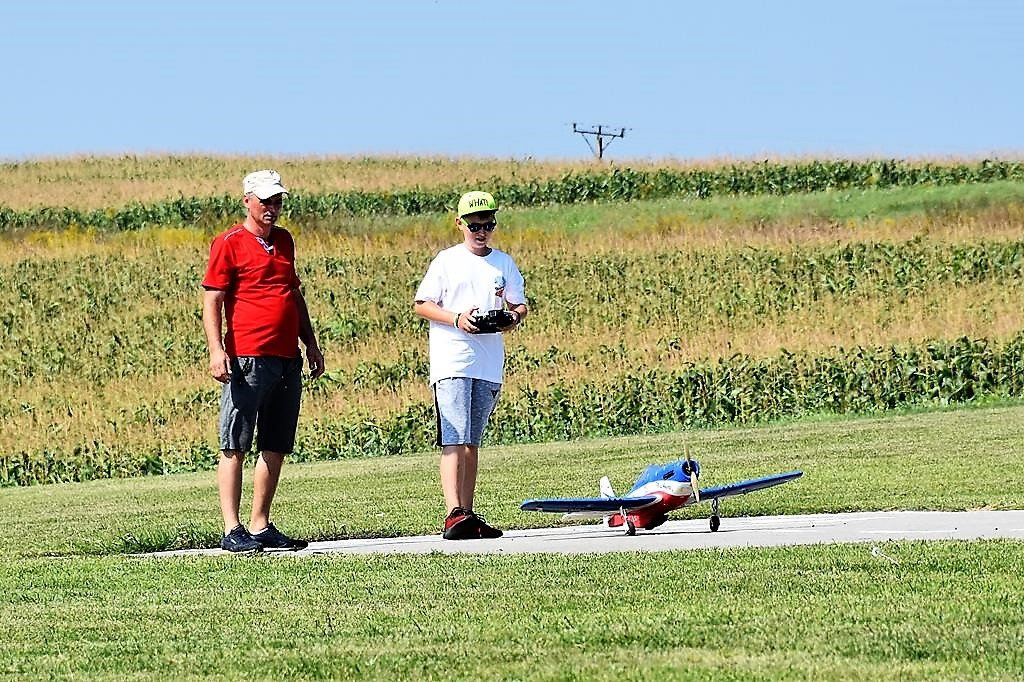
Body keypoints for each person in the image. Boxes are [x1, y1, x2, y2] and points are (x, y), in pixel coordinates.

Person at [201, 169, 325, 553]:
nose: (272, 208)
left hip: (287, 356)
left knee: (276, 443)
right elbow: (212, 300)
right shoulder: (229, 243)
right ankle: (232, 528)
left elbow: (293, 294)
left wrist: (310, 343)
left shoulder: (284, 241)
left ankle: (260, 524)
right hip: (248, 356)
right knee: (235, 442)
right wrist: (217, 350)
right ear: (247, 201)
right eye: (265, 201)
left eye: (277, 201)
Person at [413, 191, 528, 540]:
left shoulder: (503, 263)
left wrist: (511, 318)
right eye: (475, 226)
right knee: (454, 437)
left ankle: (468, 512)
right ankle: (453, 513)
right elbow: (422, 304)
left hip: (487, 364)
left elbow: (519, 305)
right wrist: (457, 318)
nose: (482, 232)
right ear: (460, 224)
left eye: (488, 225)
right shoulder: (447, 261)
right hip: (453, 361)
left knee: (471, 441)